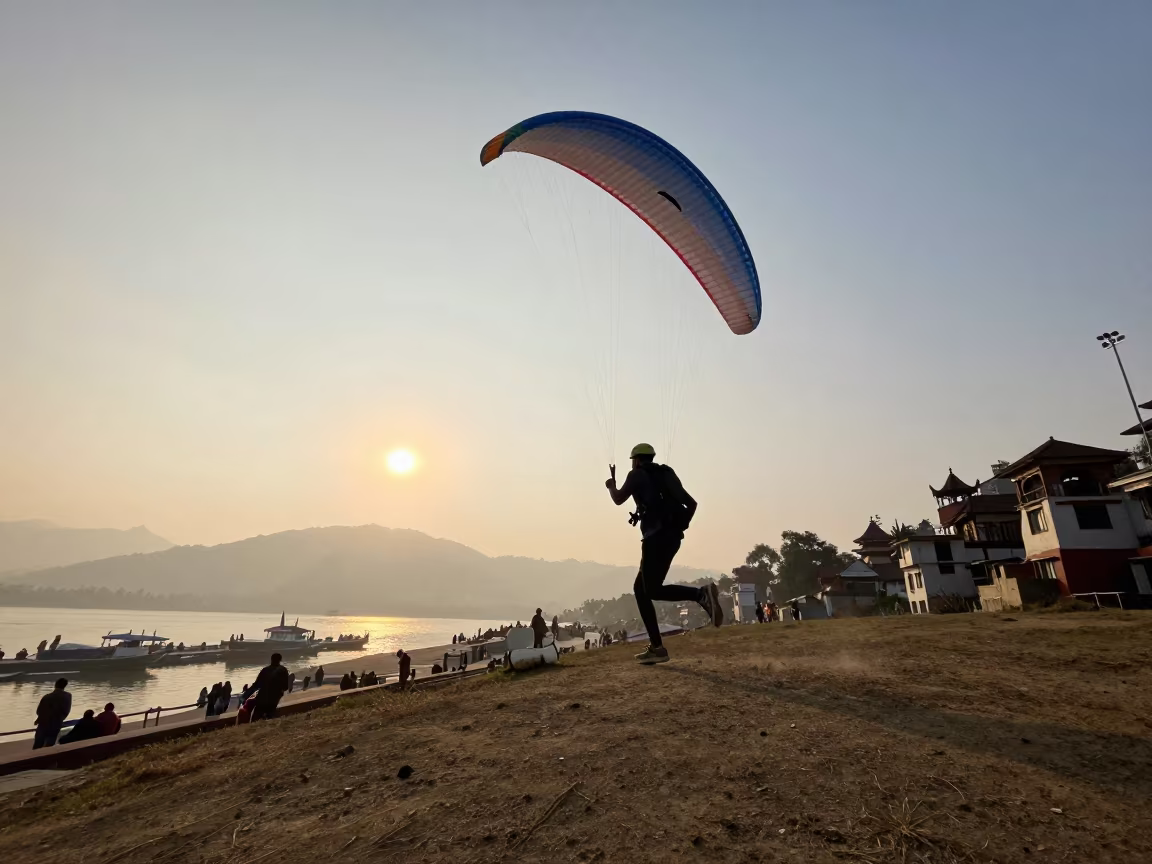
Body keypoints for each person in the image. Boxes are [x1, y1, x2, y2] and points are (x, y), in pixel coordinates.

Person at [605, 443, 722, 665]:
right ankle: (657, 647)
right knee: (641, 590)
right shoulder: (667, 473)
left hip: (654, 538)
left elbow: (618, 498)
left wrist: (611, 485)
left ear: (636, 460)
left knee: (652, 589)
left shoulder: (636, 474)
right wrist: (680, 526)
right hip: (672, 538)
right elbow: (692, 503)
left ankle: (700, 594)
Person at [250, 653, 292, 721]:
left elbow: (256, 685)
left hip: (262, 697)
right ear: (280, 660)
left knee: (256, 718)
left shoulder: (265, 670)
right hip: (274, 698)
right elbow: (285, 687)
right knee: (270, 716)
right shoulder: (283, 670)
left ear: (271, 659)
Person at [33, 678, 72, 749]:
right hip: (56, 723)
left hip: (43, 723)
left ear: (55, 685)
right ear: (65, 686)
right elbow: (66, 711)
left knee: (37, 745)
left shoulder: (46, 697)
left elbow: (39, 711)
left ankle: (33, 758)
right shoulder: (67, 696)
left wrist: (39, 719)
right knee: (49, 745)